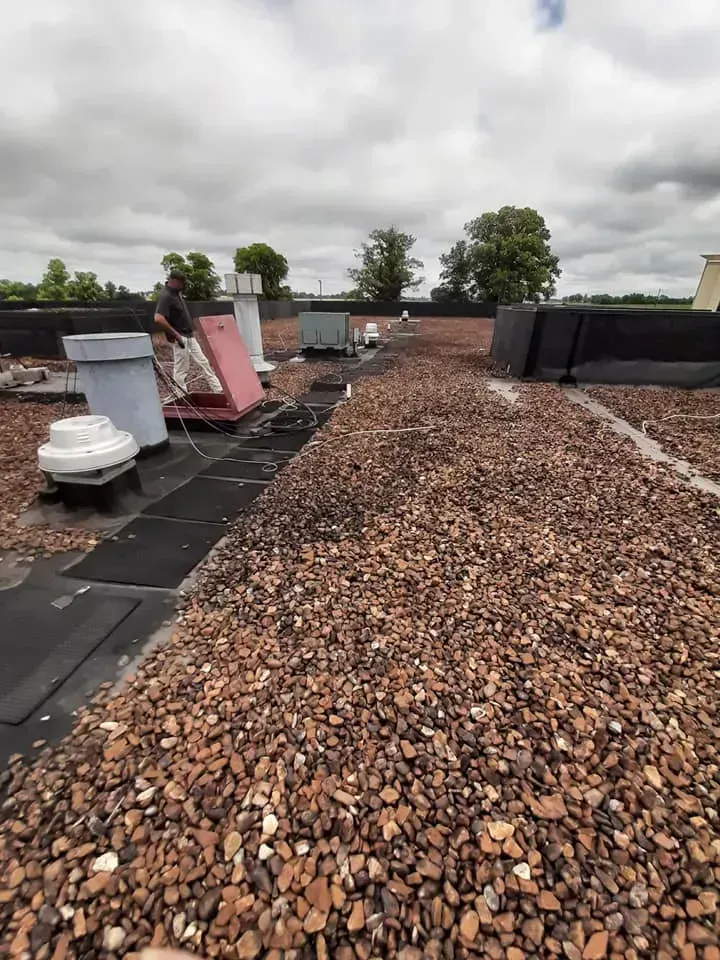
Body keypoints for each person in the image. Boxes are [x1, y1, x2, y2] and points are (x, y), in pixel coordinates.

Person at [154, 270, 222, 394]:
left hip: (189, 336)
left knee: (204, 363)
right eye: (181, 283)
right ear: (174, 281)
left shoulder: (176, 294)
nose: (183, 285)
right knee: (181, 370)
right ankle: (181, 396)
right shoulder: (166, 296)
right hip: (180, 338)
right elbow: (158, 318)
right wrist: (176, 335)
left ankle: (218, 390)